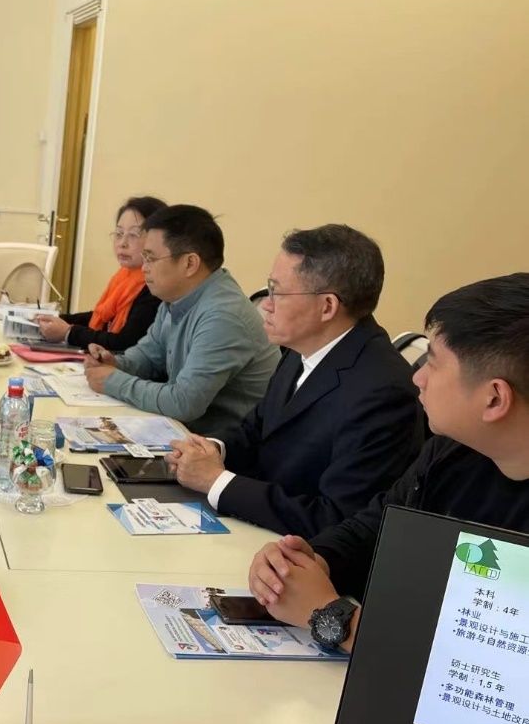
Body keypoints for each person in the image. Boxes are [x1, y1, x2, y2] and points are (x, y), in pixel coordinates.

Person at [248, 274, 529, 652]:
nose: (418, 377)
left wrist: (329, 616)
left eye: (433, 363)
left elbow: (488, 662)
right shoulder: (452, 450)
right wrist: (306, 563)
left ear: (494, 399)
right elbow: (376, 526)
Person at [168, 225, 424, 536]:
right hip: (261, 525)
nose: (267, 304)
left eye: (277, 291)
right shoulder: (303, 347)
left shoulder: (383, 391)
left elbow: (337, 518)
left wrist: (216, 481)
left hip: (303, 550)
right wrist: (210, 449)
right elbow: (257, 430)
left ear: (327, 306)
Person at [83, 204, 278, 433]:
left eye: (150, 258)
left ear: (190, 263)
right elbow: (149, 356)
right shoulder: (176, 297)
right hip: (187, 433)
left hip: (224, 444)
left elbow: (184, 403)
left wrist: (112, 381)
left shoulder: (223, 315)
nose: (144, 268)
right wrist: (115, 364)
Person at [35, 196, 165, 350]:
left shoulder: (155, 286)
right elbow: (102, 317)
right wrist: (55, 319)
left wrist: (68, 333)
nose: (122, 243)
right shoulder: (124, 276)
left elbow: (124, 343)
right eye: (119, 233)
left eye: (134, 235)